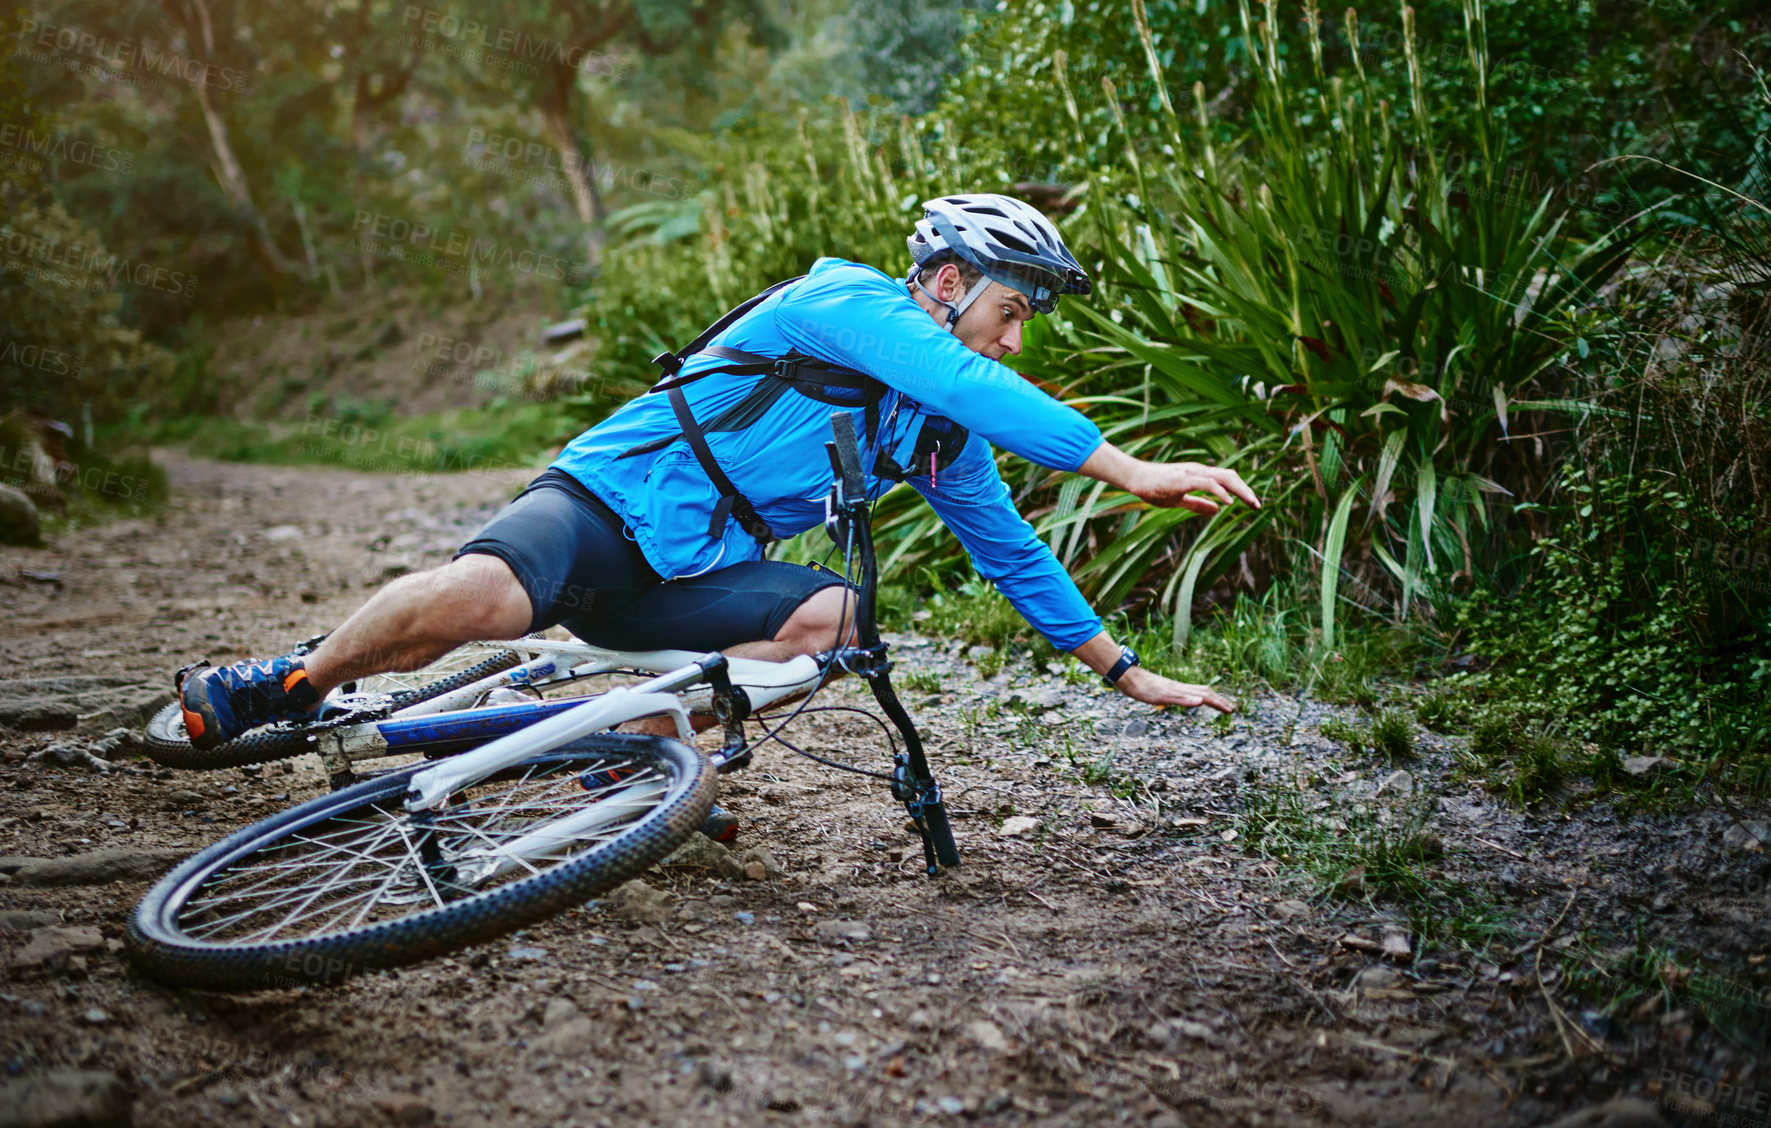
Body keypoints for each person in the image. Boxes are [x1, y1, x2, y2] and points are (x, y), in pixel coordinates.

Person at [177, 193, 1260, 755]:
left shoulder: (932, 430)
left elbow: (1012, 553)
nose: (1014, 341)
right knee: (486, 598)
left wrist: (1125, 673)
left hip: (684, 578)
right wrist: (1126, 467)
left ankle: (635, 743)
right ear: (943, 280)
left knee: (840, 618)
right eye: (1009, 311)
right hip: (609, 504)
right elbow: (971, 383)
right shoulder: (846, 302)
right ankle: (288, 683)